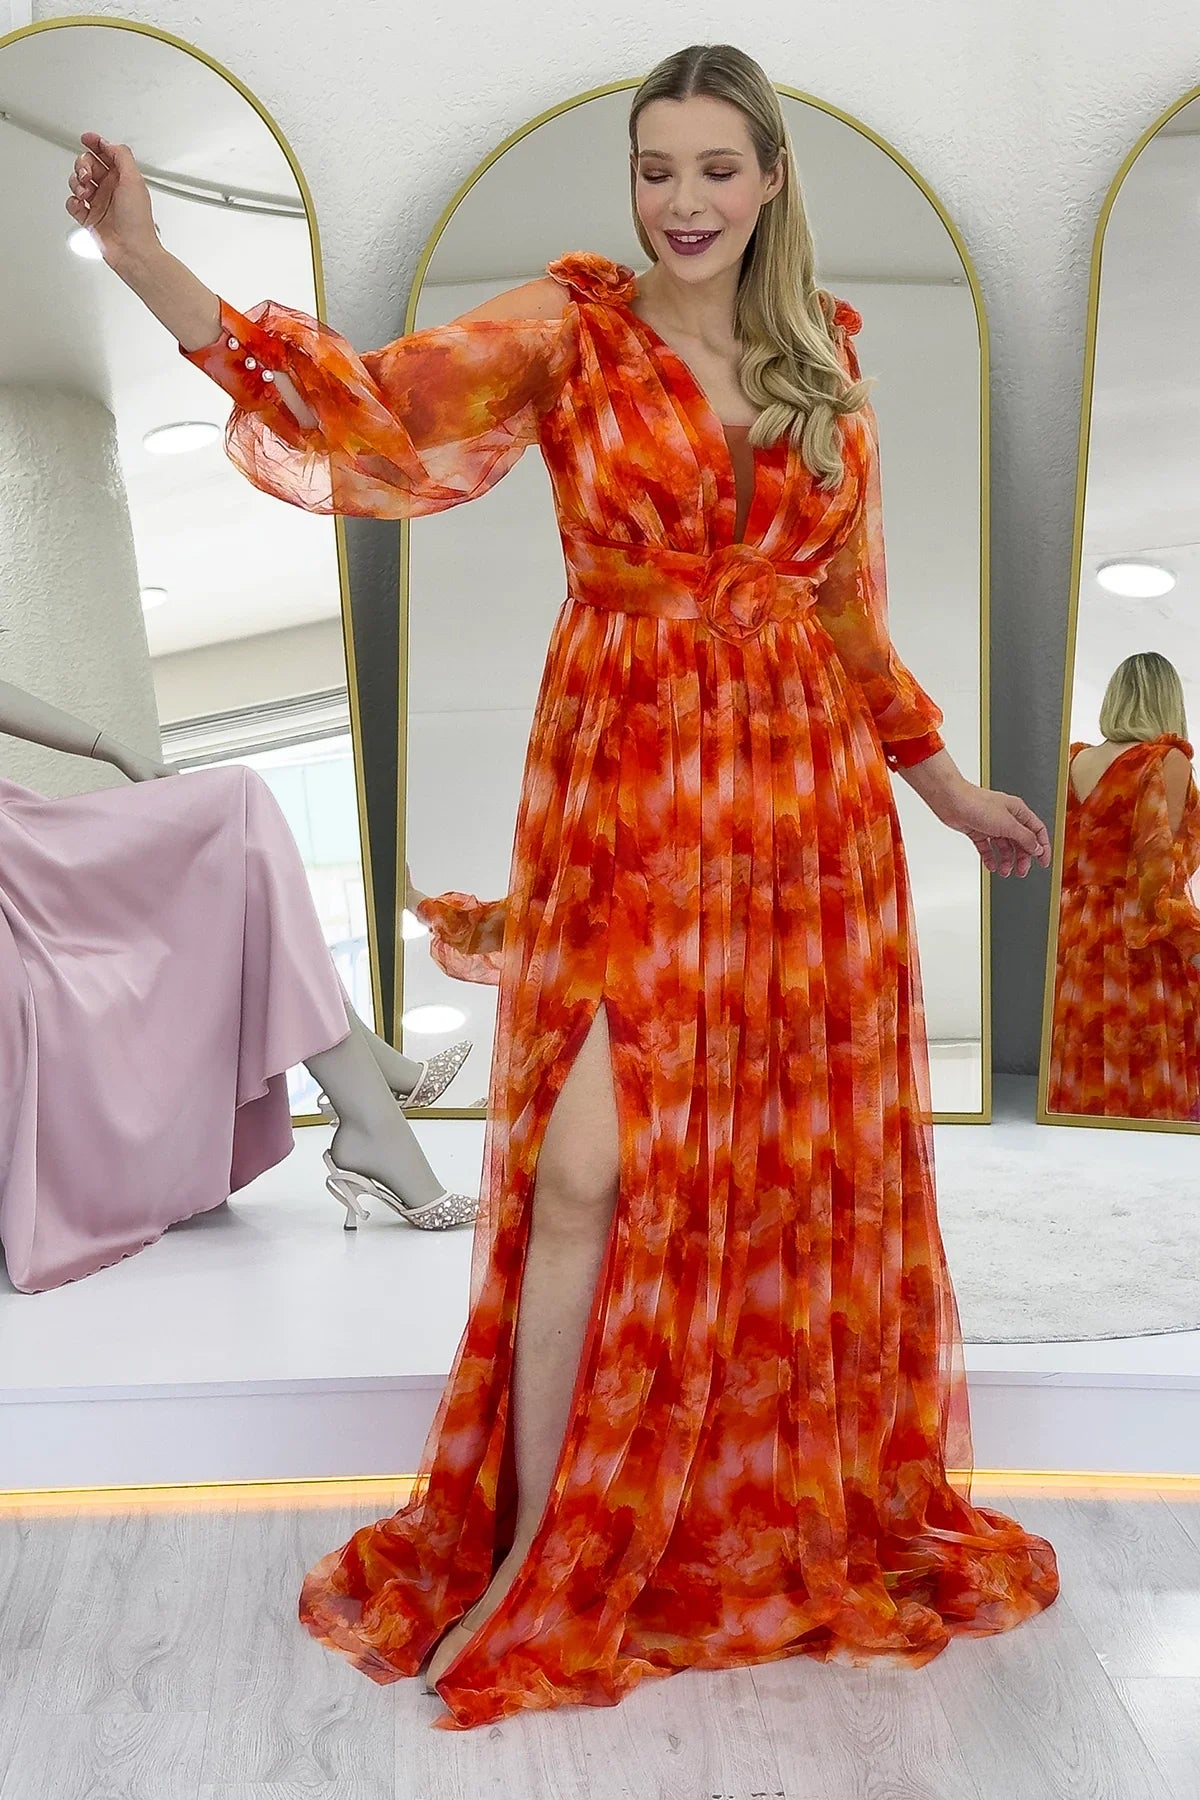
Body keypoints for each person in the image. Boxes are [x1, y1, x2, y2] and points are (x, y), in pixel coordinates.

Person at [70, 42, 1059, 1727]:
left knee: (781, 1185)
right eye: (657, 169)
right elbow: (365, 409)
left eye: (717, 169)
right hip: (628, 797)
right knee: (585, 1174)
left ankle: (732, 1516)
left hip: (804, 824)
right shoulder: (572, 330)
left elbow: (848, 623)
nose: (683, 201)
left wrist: (950, 791)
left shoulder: (828, 369)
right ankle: (537, 1551)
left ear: (771, 183)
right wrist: (148, 258)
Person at [0, 671, 474, 1291]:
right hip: (21, 866)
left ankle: (374, 1104)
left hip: (21, 839)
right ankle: (376, 1101)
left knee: (237, 819)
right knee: (233, 820)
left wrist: (114, 749)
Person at [1049, 650, 1200, 1119]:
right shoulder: (1166, 760)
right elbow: (1159, 879)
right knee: (1142, 1069)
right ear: (1168, 700)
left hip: (1074, 938)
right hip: (1137, 943)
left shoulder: (1072, 761)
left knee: (1082, 1059)